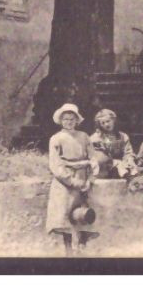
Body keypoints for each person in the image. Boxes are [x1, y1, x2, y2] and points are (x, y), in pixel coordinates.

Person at [46, 103, 98, 254]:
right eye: (65, 119)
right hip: (65, 180)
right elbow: (55, 165)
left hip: (83, 176)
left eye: (72, 119)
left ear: (77, 120)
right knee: (64, 211)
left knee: (84, 211)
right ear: (61, 121)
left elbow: (92, 157)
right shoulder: (56, 138)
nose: (69, 122)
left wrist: (90, 179)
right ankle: (67, 248)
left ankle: (82, 245)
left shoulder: (84, 136)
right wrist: (72, 181)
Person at [89, 108, 136, 179]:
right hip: (103, 167)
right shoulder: (96, 137)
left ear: (113, 120)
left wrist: (129, 159)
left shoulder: (123, 136)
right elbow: (96, 155)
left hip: (122, 165)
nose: (106, 124)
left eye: (108, 121)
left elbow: (128, 152)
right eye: (103, 123)